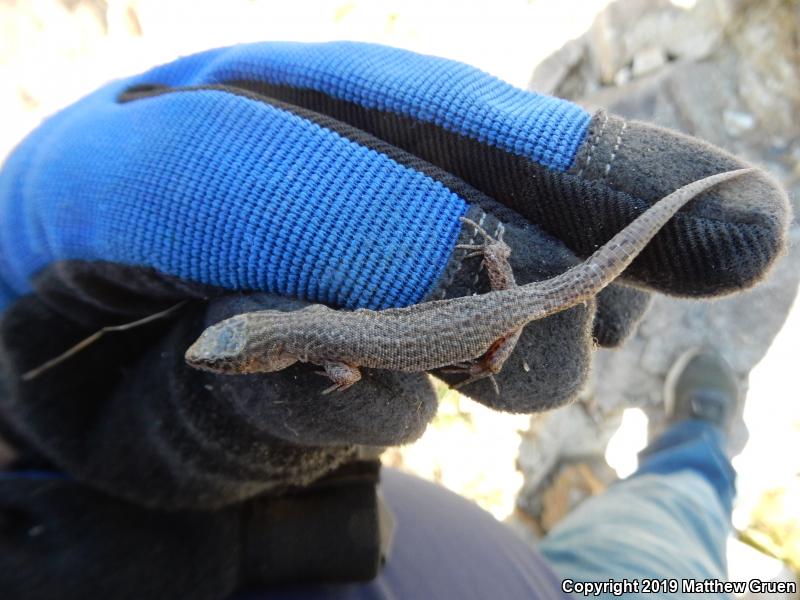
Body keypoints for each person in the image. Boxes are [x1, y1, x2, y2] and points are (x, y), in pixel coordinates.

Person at [0, 42, 789, 599]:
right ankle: (695, 448)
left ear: (262, 353)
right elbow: (329, 349)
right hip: (497, 339)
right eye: (228, 356)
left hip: (526, 494)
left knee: (667, 539)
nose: (224, 351)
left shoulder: (316, 350)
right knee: (673, 542)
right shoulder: (304, 327)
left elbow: (342, 367)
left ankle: (688, 456)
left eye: (226, 352)